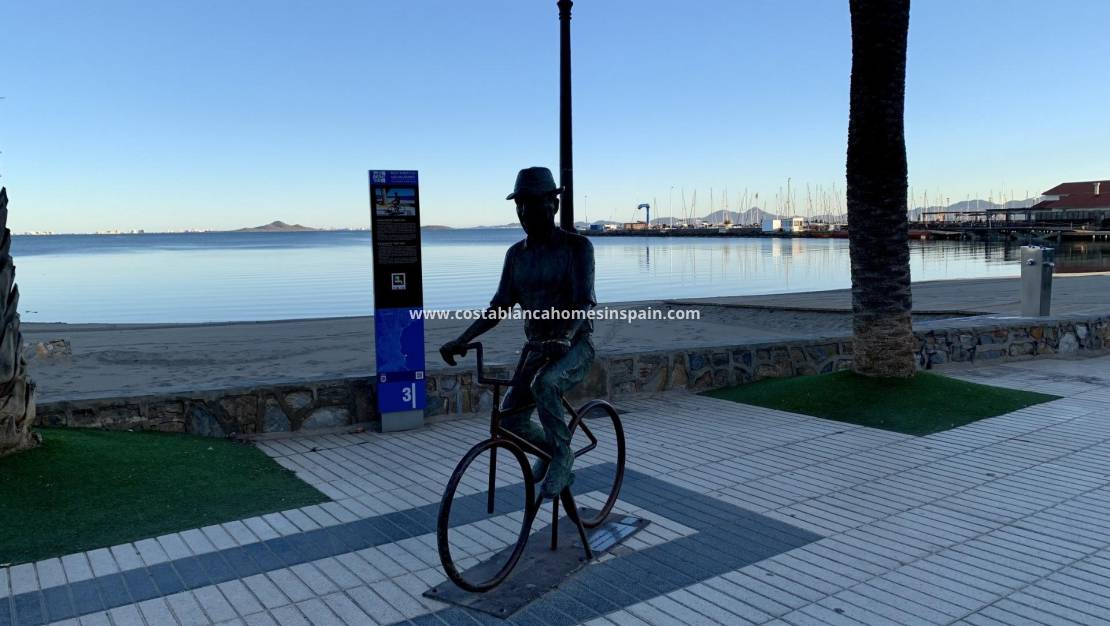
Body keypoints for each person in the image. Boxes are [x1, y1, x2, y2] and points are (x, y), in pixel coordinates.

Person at [440, 166, 596, 499]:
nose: (524, 211)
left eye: (533, 203)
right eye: (520, 204)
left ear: (553, 204)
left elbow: (585, 302)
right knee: (510, 421)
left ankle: (563, 456)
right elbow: (499, 305)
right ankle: (554, 452)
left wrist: (565, 336)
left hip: (575, 346)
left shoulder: (578, 248)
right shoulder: (515, 256)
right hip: (537, 348)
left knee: (547, 384)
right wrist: (463, 340)